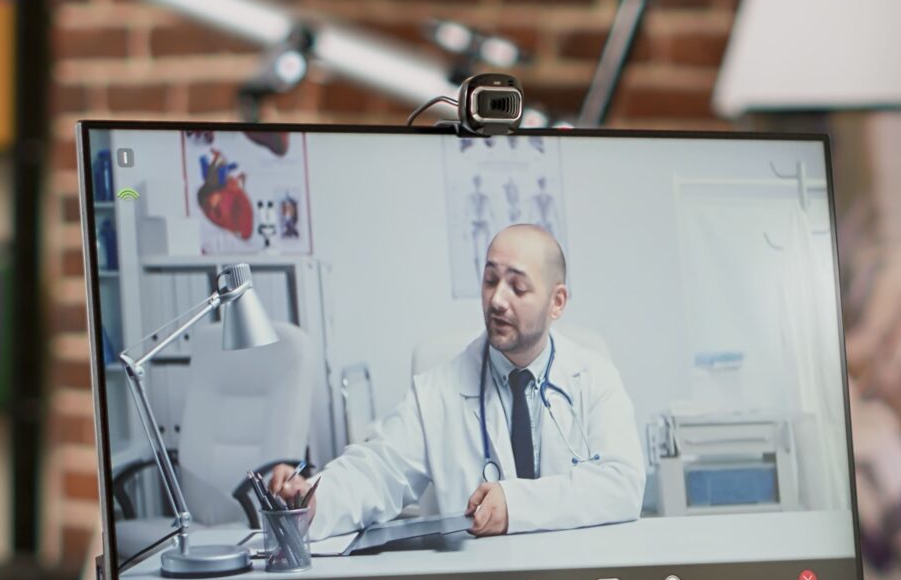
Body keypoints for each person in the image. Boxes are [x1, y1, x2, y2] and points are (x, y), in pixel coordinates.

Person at [271, 224, 645, 537]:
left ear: (557, 302)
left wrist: (515, 505)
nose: (497, 300)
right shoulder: (437, 391)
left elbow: (623, 485)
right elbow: (377, 470)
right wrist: (315, 497)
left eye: (517, 287)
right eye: (490, 280)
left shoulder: (594, 377)